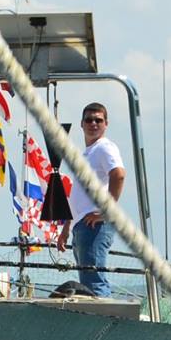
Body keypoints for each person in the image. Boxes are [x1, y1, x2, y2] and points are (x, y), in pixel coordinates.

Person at [64, 103, 126, 297]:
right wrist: (66, 227)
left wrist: (107, 211)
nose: (93, 123)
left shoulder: (104, 147)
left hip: (94, 225)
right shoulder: (88, 153)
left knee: (94, 282)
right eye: (89, 120)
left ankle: (106, 323)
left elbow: (118, 175)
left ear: (106, 124)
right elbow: (79, 193)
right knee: (89, 280)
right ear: (81, 124)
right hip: (82, 224)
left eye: (98, 120)